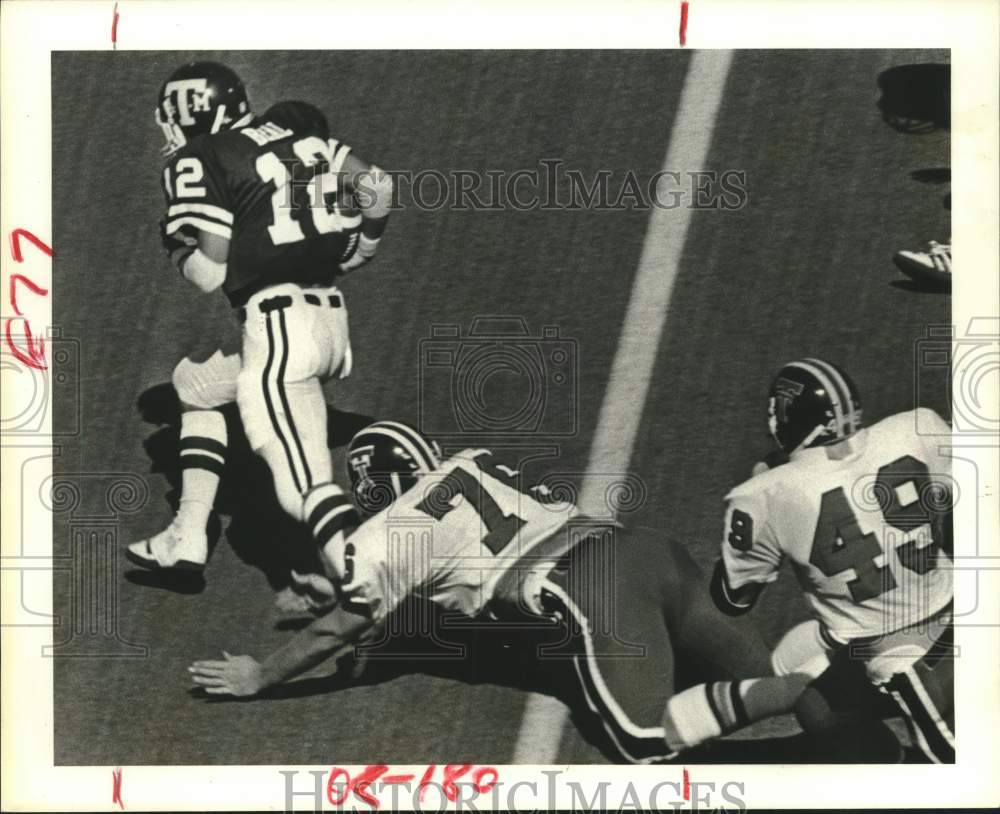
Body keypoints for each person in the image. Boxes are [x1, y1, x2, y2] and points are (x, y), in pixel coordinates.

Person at [189, 421, 812, 764]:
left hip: (589, 590)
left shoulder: (386, 534)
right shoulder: (470, 462)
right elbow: (449, 546)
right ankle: (859, 698)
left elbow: (348, 625)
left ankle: (807, 689)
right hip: (646, 550)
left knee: (643, 742)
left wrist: (261, 676)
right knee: (758, 674)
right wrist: (339, 588)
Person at [126, 61, 394, 576]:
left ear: (190, 113)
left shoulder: (202, 154)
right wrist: (363, 248)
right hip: (329, 324)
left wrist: (174, 249)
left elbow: (209, 272)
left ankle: (367, 584)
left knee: (303, 488)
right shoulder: (293, 134)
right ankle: (188, 534)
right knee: (195, 386)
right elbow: (376, 186)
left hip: (278, 334)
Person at [710, 357, 954, 762]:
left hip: (899, 658)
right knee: (816, 703)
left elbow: (732, 599)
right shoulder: (917, 425)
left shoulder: (763, 494)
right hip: (965, 612)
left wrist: (756, 487)